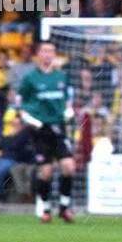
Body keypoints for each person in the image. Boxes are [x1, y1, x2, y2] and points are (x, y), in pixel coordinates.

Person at [17, 41, 75, 222]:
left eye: (52, 51)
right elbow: (20, 105)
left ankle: (64, 207)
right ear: (38, 54)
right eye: (45, 51)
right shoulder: (30, 79)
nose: (49, 54)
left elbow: (68, 100)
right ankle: (46, 208)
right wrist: (31, 120)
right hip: (40, 130)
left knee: (69, 167)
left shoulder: (62, 76)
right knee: (46, 172)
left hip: (58, 127)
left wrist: (69, 111)